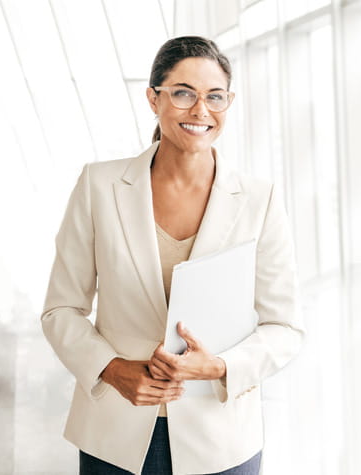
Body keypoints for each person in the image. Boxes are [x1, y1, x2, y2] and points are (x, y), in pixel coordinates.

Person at [41, 36, 304, 475]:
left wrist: (220, 366)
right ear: (153, 98)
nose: (201, 110)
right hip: (116, 435)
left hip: (220, 440)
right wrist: (111, 368)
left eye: (215, 96)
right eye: (183, 93)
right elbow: (61, 310)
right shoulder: (98, 187)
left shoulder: (260, 198)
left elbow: (286, 326)